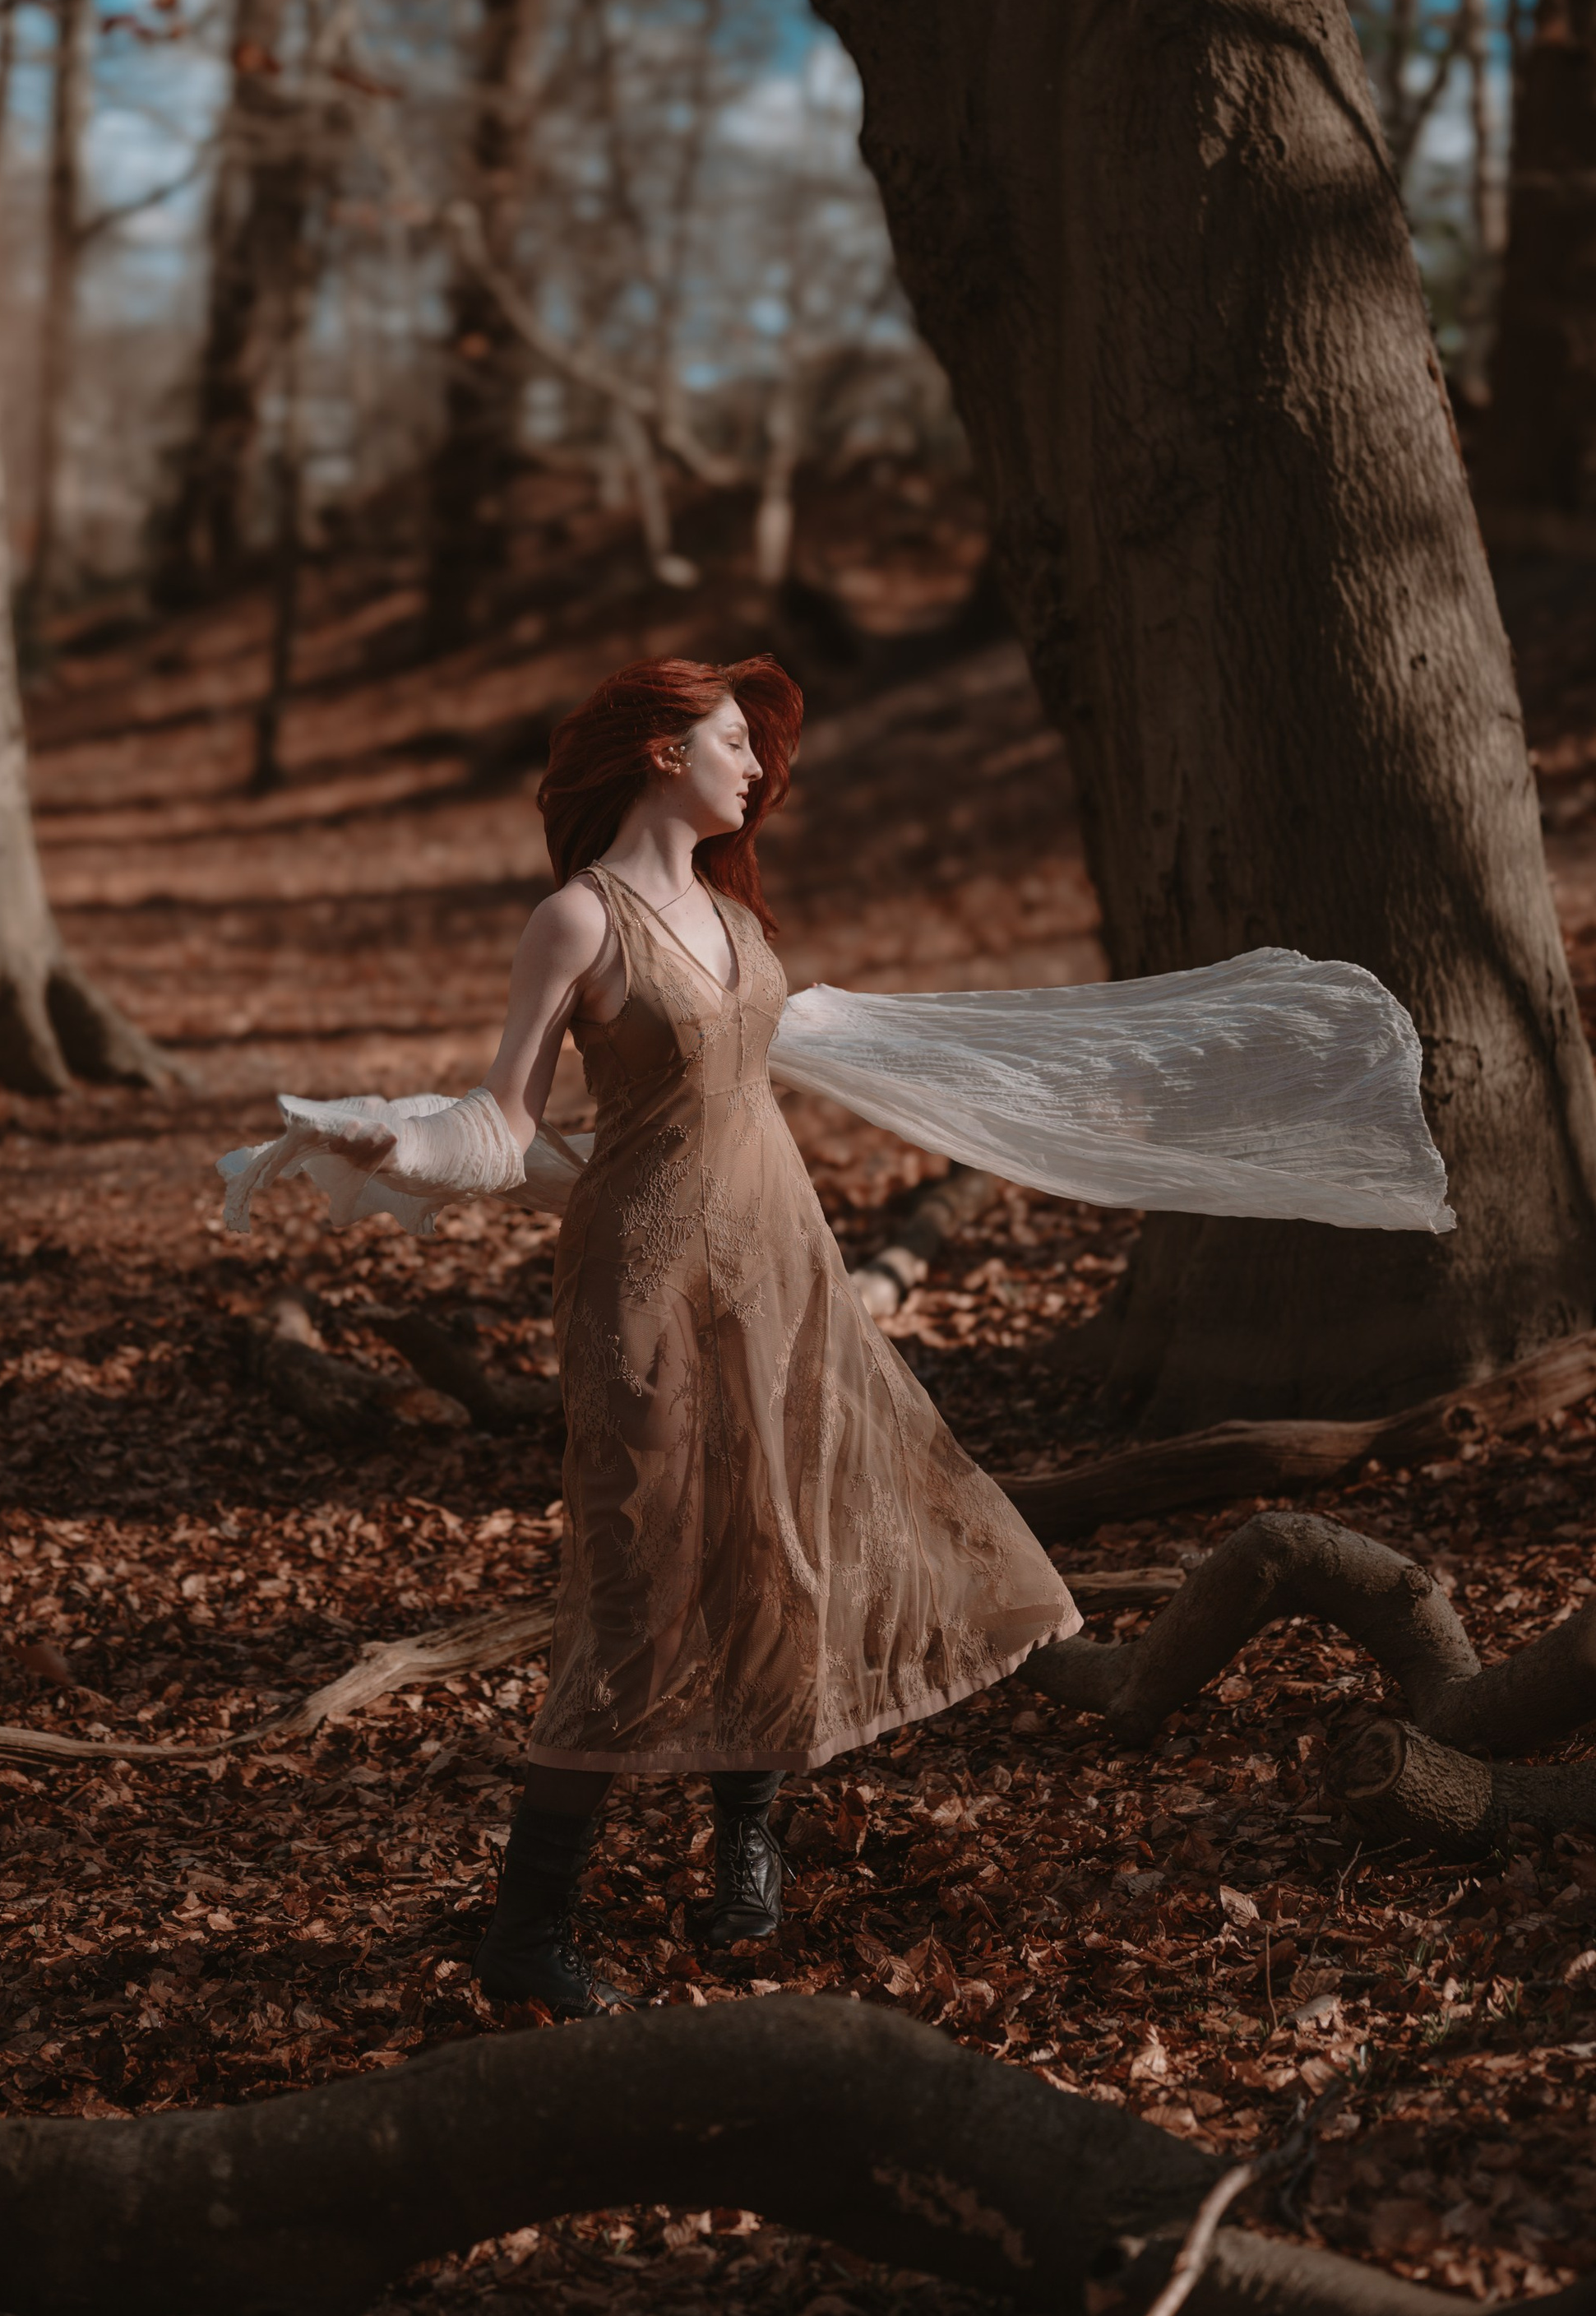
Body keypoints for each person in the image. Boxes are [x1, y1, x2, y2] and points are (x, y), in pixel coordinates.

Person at [220, 654, 1452, 2019]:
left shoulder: (735, 918)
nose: (756, 768)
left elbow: (753, 1075)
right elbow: (507, 1128)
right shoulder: (575, 922)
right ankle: (527, 1931)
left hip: (781, 1271)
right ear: (660, 754)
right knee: (637, 1585)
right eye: (732, 742)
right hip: (645, 1287)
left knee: (778, 1549)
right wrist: (389, 1140)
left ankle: (745, 1840)